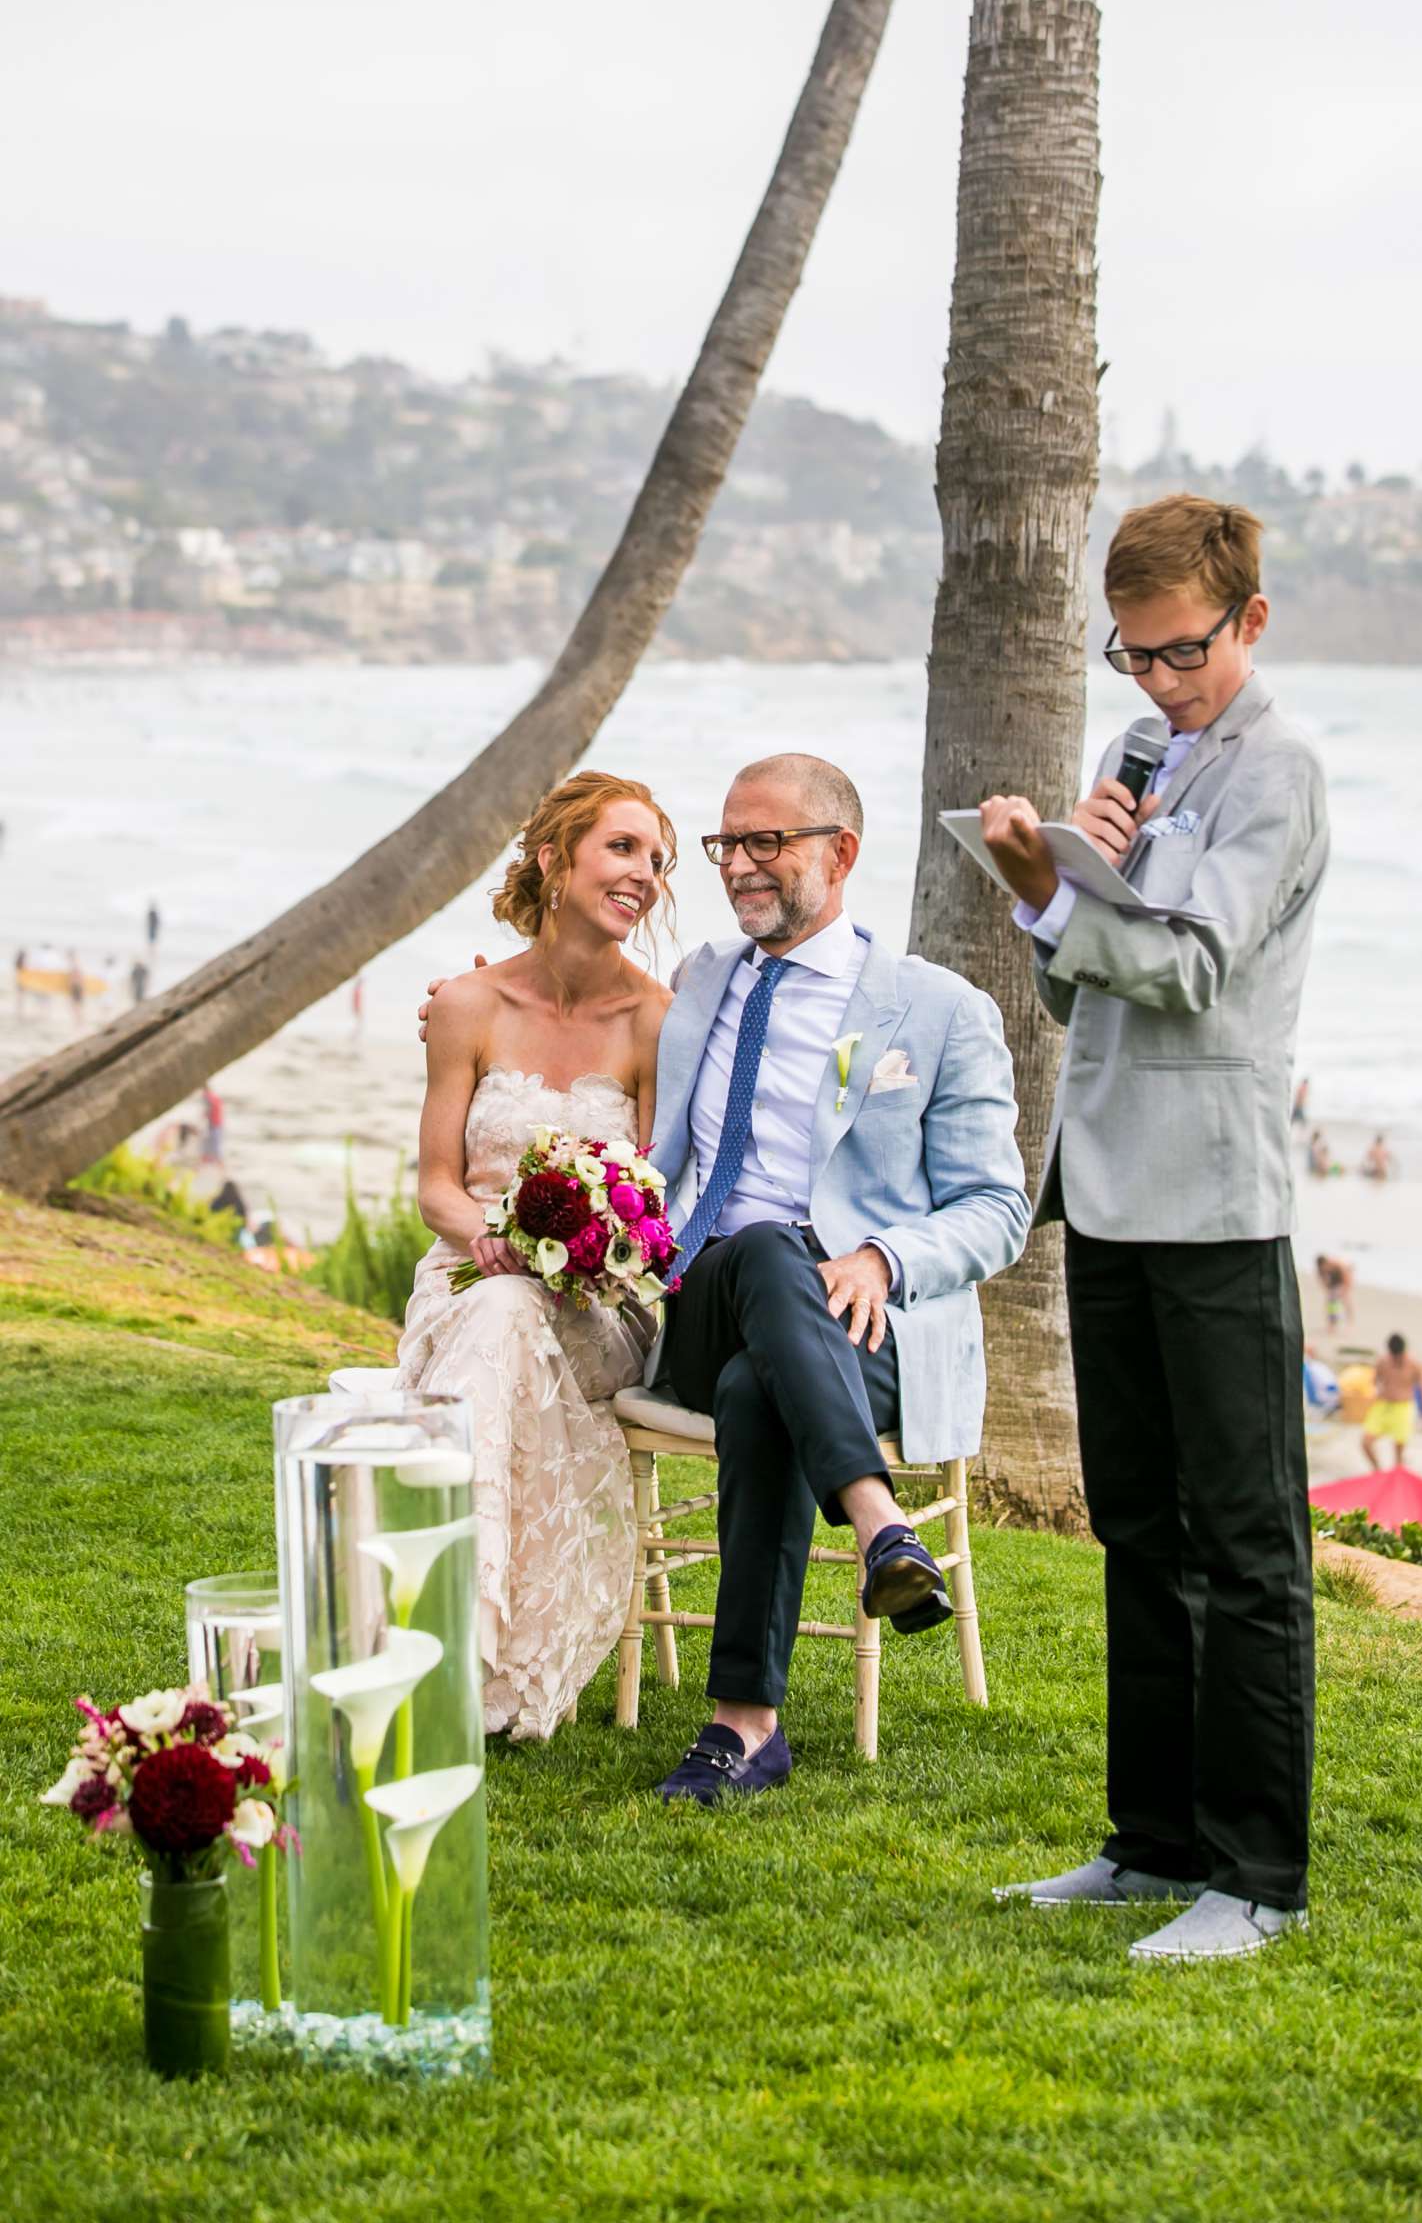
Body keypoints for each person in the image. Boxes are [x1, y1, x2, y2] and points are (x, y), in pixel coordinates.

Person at [420, 754, 1031, 1799]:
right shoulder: (700, 980)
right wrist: (460, 1003)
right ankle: (878, 1518)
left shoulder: (936, 1013)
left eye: (767, 843)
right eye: (727, 846)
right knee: (757, 1246)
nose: (740, 866)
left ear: (840, 853)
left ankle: (742, 1726)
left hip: (859, 1327)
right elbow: (567, 1006)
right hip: (701, 1304)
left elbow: (999, 1209)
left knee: (764, 1387)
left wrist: (886, 1256)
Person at [979, 493, 1328, 1963]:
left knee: (1246, 1547)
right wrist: (1057, 893)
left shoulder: (1279, 769)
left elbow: (1189, 968)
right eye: (1132, 657)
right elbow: (1072, 994)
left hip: (1217, 1196)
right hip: (1108, 1183)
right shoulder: (1137, 752)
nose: (1159, 683)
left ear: (1246, 619)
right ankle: (1151, 1843)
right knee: (1138, 1528)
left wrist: (1052, 891)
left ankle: (1256, 1882)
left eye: (1180, 653)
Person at [401, 772, 673, 1741]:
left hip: (602, 1309)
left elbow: (662, 1203)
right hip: (471, 1278)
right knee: (500, 1311)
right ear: (556, 858)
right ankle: (476, 1656)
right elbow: (436, 1181)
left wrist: (594, 1253)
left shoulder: (657, 1019)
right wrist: (484, 1239)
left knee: (517, 1317)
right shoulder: (468, 1003)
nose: (643, 874)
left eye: (655, 859)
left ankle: (442, 1641)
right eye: (622, 848)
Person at [1362, 1335, 1422, 1470]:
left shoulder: (1414, 1364)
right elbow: (1373, 1382)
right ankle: (1378, 1471)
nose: (1396, 1359)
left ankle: (1395, 1478)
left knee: (1398, 1453)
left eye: (1399, 1356)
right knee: (1366, 1443)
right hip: (1382, 1406)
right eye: (1393, 1356)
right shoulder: (1382, 1361)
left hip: (1403, 1407)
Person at [1315, 1252, 1355, 1332]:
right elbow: (1322, 1281)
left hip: (1344, 1276)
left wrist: (1345, 1290)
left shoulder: (1337, 1265)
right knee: (1330, 1302)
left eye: (1324, 1267)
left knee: (1346, 1301)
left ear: (1327, 1262)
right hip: (1333, 1282)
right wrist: (1328, 1290)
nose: (1324, 1268)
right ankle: (1332, 1324)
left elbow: (1347, 1279)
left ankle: (1350, 1323)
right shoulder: (1320, 1269)